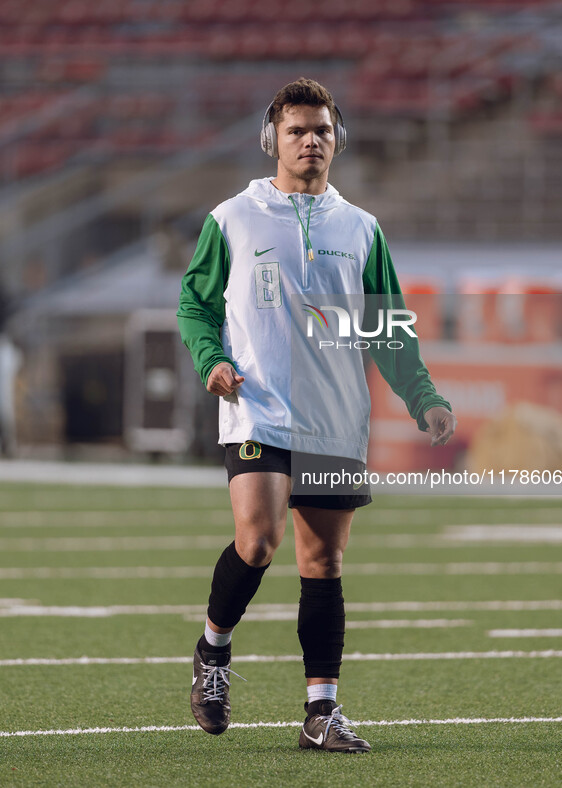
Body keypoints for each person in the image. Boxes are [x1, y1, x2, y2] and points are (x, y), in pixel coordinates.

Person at [177, 78, 456, 753]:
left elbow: (387, 326)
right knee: (258, 540)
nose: (310, 141)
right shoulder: (233, 218)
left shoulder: (359, 229)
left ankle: (320, 713)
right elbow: (194, 303)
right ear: (272, 138)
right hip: (258, 408)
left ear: (337, 139)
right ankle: (212, 652)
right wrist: (209, 357)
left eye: (321, 131)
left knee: (322, 561)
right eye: (298, 130)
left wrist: (421, 396)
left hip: (333, 418)